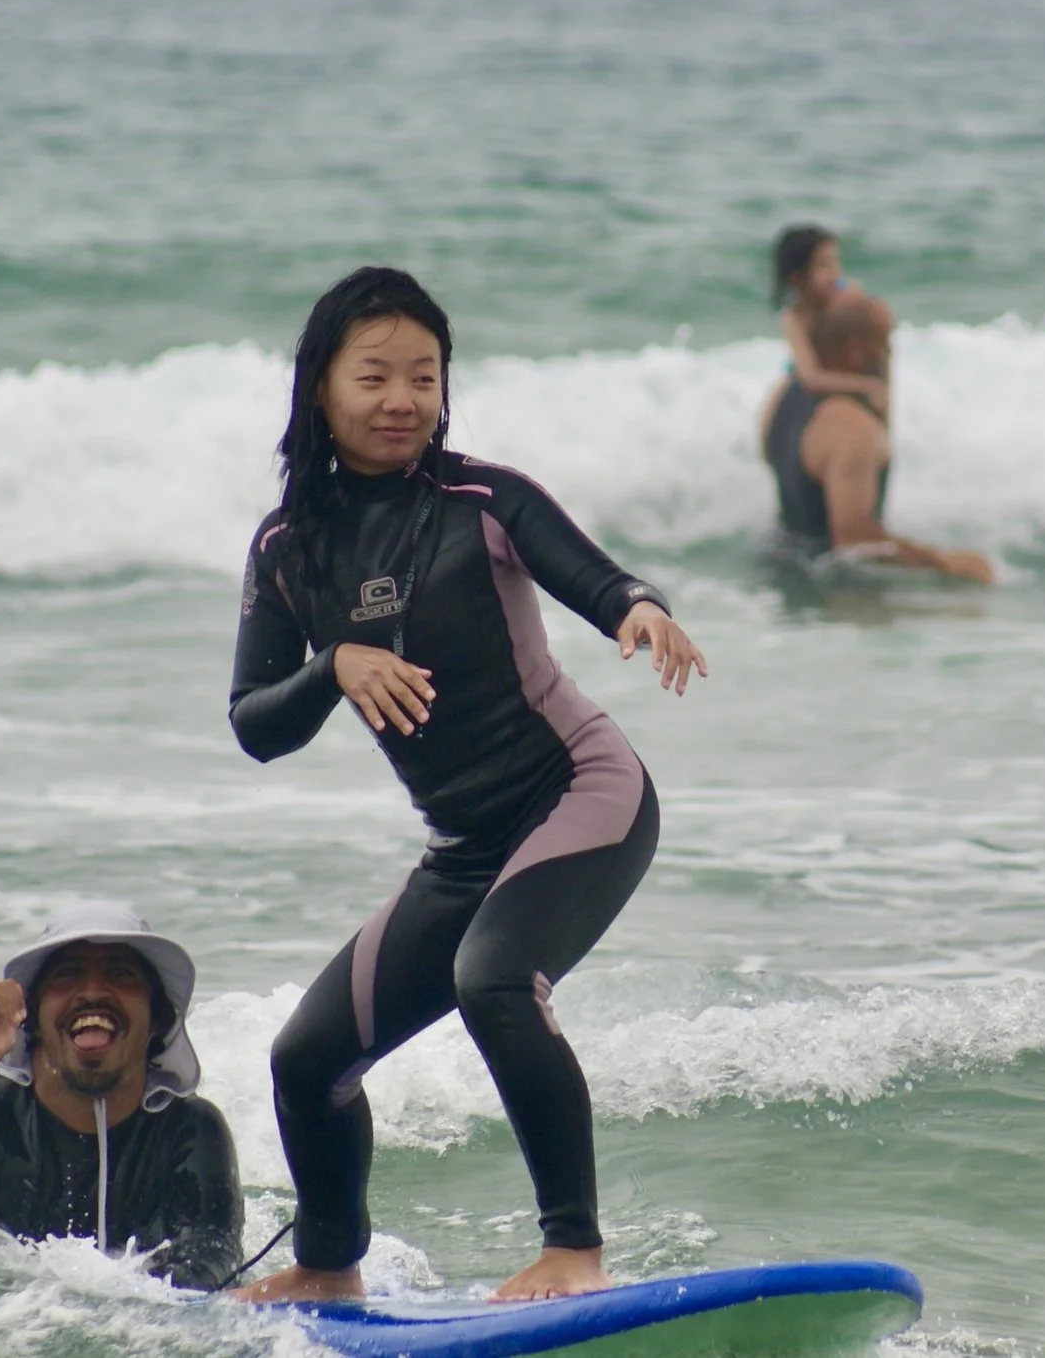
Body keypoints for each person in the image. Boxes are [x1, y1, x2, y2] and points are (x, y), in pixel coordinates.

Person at [225, 267, 706, 1304]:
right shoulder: (287, 548)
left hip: (580, 793)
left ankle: (573, 1249)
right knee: (308, 1058)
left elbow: (591, 575)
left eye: (424, 376)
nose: (402, 400)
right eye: (375, 376)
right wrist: (333, 665)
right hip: (463, 847)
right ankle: (326, 1266)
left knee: (493, 979)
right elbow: (255, 724)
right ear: (320, 388)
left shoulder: (485, 500)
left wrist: (637, 609)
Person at [0, 903, 243, 1290]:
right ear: (34, 1020)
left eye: (121, 974)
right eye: (67, 974)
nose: (92, 992)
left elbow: (210, 1259)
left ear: (157, 1019)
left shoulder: (189, 1130)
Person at [763, 294, 994, 582]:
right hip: (834, 598)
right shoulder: (852, 428)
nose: (889, 353)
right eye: (885, 343)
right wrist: (944, 563)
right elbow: (853, 541)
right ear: (855, 350)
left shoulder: (784, 393)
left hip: (782, 570)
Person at [758, 224, 888, 424]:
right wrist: (866, 385)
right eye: (824, 266)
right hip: (810, 382)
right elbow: (811, 377)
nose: (836, 273)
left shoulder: (849, 295)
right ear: (796, 277)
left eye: (836, 262)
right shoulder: (795, 318)